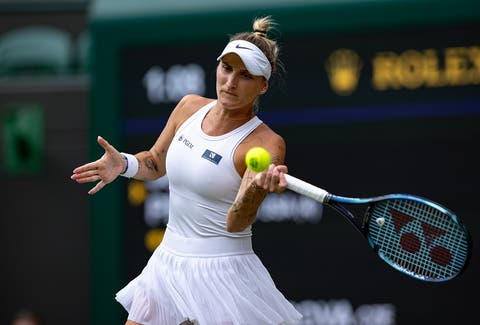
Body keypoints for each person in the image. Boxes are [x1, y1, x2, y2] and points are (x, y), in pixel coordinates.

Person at [71, 16, 302, 325]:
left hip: (223, 274)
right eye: (227, 68)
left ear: (263, 85)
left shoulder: (266, 143)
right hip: (167, 263)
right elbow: (155, 162)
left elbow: (236, 222)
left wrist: (257, 187)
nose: (230, 82)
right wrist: (124, 164)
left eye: (245, 75)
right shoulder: (189, 106)